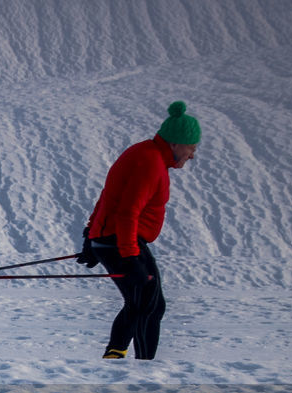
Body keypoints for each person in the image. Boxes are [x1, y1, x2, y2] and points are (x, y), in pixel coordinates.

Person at [77, 101, 200, 359]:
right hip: (121, 241)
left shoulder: (145, 153)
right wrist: (131, 257)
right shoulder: (150, 162)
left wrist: (91, 235)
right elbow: (127, 212)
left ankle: (124, 357)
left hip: (113, 240)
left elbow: (108, 196)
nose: (193, 154)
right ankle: (132, 362)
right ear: (176, 143)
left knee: (149, 305)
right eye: (191, 147)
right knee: (147, 305)